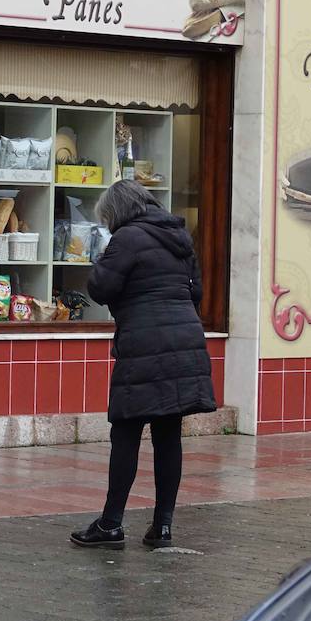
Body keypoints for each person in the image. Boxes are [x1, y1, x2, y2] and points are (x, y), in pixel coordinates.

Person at [70, 179, 215, 551]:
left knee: (127, 431)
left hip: (145, 343)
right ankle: (162, 527)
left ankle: (111, 524)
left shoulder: (128, 238)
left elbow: (100, 288)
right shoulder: (179, 238)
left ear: (117, 212)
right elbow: (195, 292)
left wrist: (102, 256)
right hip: (185, 342)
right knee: (168, 433)